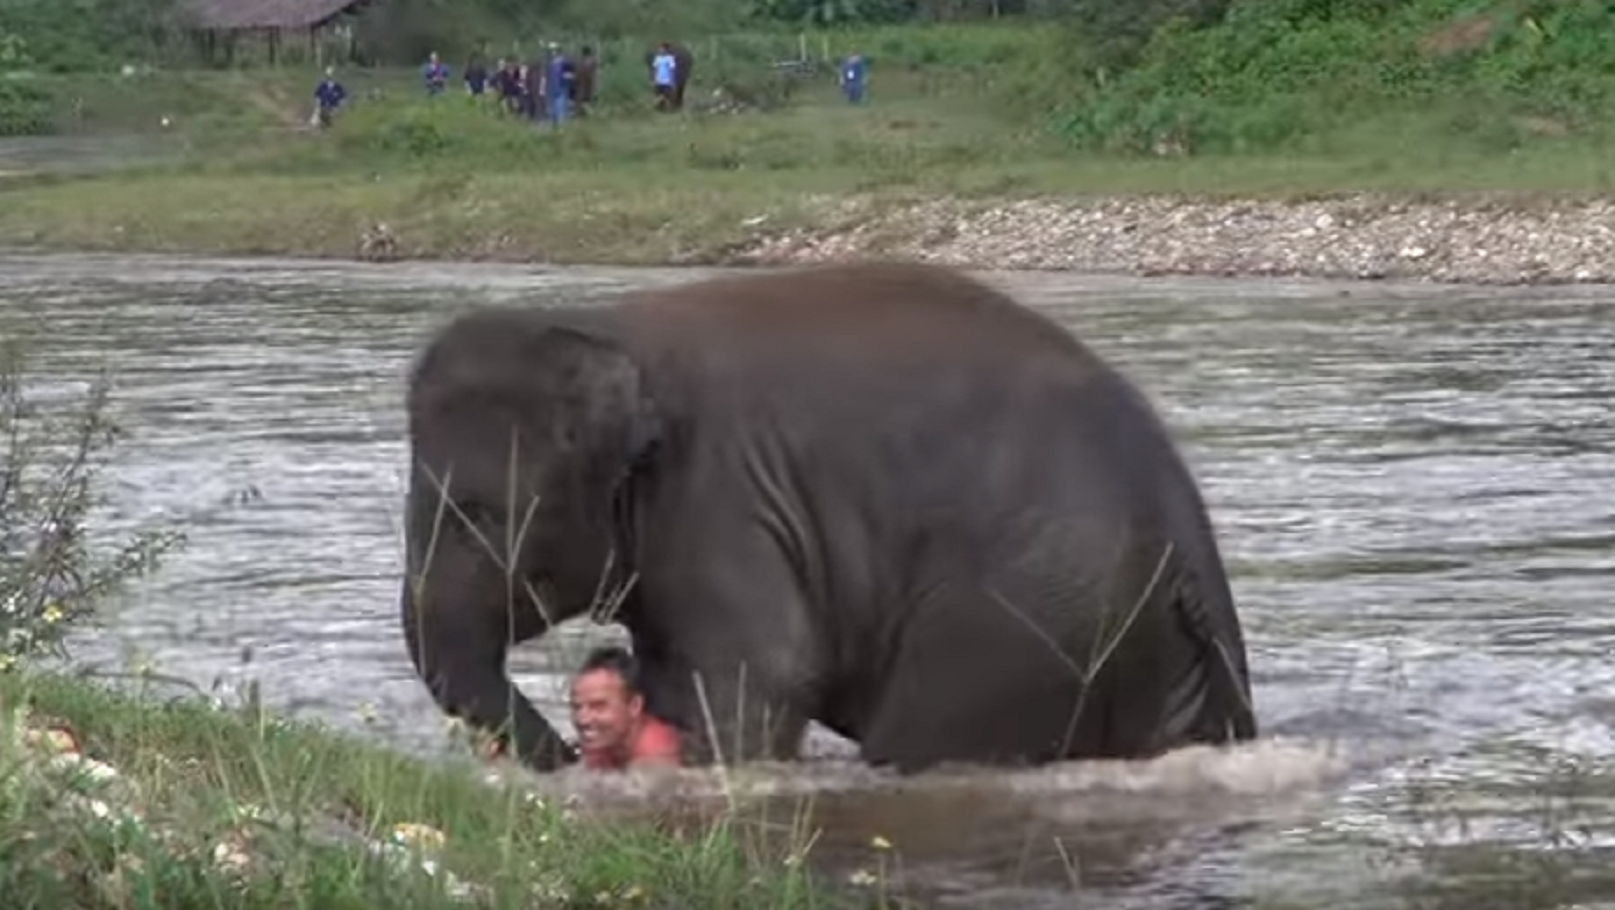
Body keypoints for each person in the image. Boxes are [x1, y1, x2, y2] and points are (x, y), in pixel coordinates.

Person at [569, 645, 682, 771]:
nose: (583, 720)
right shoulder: (602, 742)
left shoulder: (656, 752)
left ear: (634, 706)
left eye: (598, 707)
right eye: (577, 707)